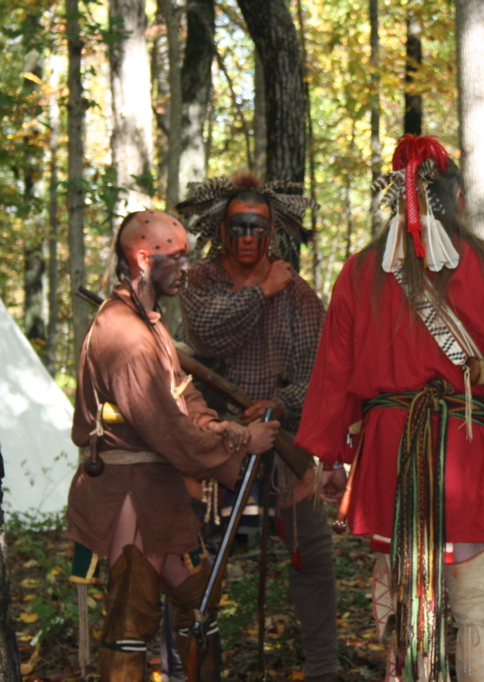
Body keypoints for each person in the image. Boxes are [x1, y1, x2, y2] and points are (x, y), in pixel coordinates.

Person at [296, 135, 484, 682]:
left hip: (391, 452)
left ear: (396, 200)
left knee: (408, 604)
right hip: (465, 449)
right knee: (480, 605)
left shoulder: (360, 272)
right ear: (456, 200)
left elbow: (333, 377)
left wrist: (333, 460)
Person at [66, 210, 280, 682]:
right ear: (144, 258)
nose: (186, 267)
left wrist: (223, 426)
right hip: (128, 488)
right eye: (176, 257)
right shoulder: (124, 334)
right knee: (130, 619)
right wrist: (241, 450)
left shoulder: (150, 324)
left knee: (197, 604)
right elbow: (166, 428)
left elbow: (182, 395)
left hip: (156, 488)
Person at [174, 174, 341, 682]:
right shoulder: (199, 280)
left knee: (311, 555)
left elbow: (320, 370)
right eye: (238, 227)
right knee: (194, 563)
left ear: (271, 234)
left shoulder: (300, 293)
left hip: (280, 435)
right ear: (221, 231)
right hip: (211, 437)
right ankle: (198, 666)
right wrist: (261, 293)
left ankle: (324, 669)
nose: (248, 237)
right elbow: (207, 330)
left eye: (258, 228)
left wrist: (279, 403)